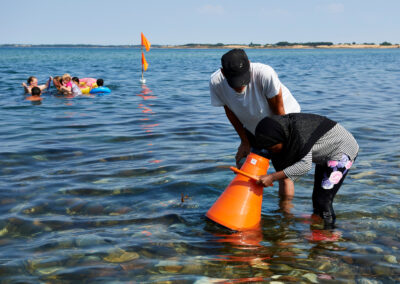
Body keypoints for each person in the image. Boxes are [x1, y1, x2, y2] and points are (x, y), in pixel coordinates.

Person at [210, 48, 301, 197]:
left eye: (243, 80)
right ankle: (243, 213)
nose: (240, 86)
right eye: (235, 82)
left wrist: (286, 142)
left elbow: (279, 111)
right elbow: (230, 111)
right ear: (223, 73)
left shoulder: (265, 73)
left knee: (283, 174)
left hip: (285, 122)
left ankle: (286, 216)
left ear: (249, 65)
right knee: (244, 165)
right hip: (254, 127)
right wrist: (244, 141)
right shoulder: (216, 82)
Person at [254, 113, 359, 228]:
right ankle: (317, 224)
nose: (272, 152)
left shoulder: (299, 135)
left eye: (273, 148)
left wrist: (272, 177)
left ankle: (328, 235)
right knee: (316, 198)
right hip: (325, 154)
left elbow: (304, 166)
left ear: (281, 138)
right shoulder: (284, 129)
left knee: (323, 200)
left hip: (342, 151)